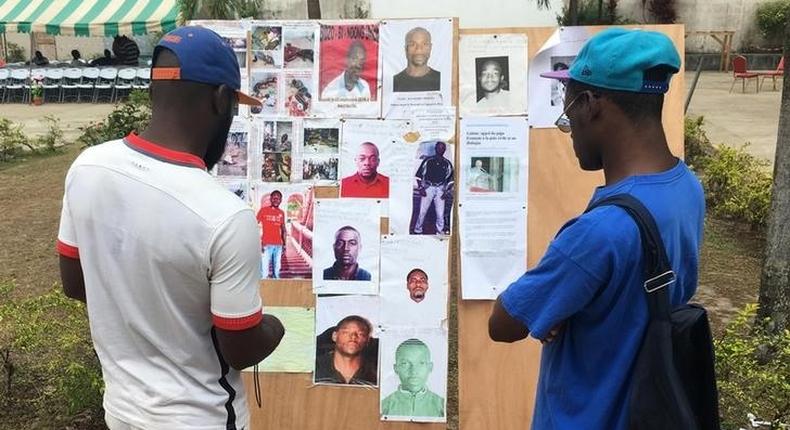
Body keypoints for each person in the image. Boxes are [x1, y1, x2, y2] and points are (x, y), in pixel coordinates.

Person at [57, 26, 285, 430]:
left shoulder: (88, 167)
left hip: (123, 410)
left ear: (152, 93)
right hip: (202, 418)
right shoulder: (225, 216)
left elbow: (76, 284)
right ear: (221, 100)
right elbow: (242, 348)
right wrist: (275, 327)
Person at [488, 28, 702, 430]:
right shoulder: (686, 187)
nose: (569, 129)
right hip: (648, 410)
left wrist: (560, 307)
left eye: (567, 113)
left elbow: (503, 323)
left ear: (589, 105)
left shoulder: (600, 232)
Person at [381, 339, 445, 417]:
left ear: (430, 367)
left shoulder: (442, 407)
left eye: (421, 363)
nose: (413, 371)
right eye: (405, 363)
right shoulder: (383, 407)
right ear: (396, 368)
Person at [314, 316, 377, 385]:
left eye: (360, 334)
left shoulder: (376, 372)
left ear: (367, 340)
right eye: (346, 332)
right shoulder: (315, 367)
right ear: (334, 336)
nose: (353, 337)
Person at [413, 141, 453, 234]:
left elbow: (451, 180)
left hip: (440, 189)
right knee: (422, 212)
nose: (440, 149)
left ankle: (439, 232)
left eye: (443, 148)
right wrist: (421, 188)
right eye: (439, 147)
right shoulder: (428, 160)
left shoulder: (447, 163)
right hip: (428, 188)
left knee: (440, 214)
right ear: (435, 148)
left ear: (445, 150)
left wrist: (446, 192)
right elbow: (418, 176)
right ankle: (417, 230)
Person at [393, 27, 441, 92]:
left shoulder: (441, 80)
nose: (419, 49)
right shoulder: (394, 82)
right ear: (406, 49)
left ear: (430, 48)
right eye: (412, 44)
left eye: (424, 44)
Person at [257, 190, 286, 279]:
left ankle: (275, 291)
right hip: (266, 245)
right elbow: (255, 226)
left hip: (278, 246)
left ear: (281, 200)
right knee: (264, 273)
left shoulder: (281, 213)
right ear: (271, 199)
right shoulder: (263, 210)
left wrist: (284, 244)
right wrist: (259, 242)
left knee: (277, 273)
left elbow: (283, 229)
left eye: (278, 198)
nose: (276, 200)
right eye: (274, 198)